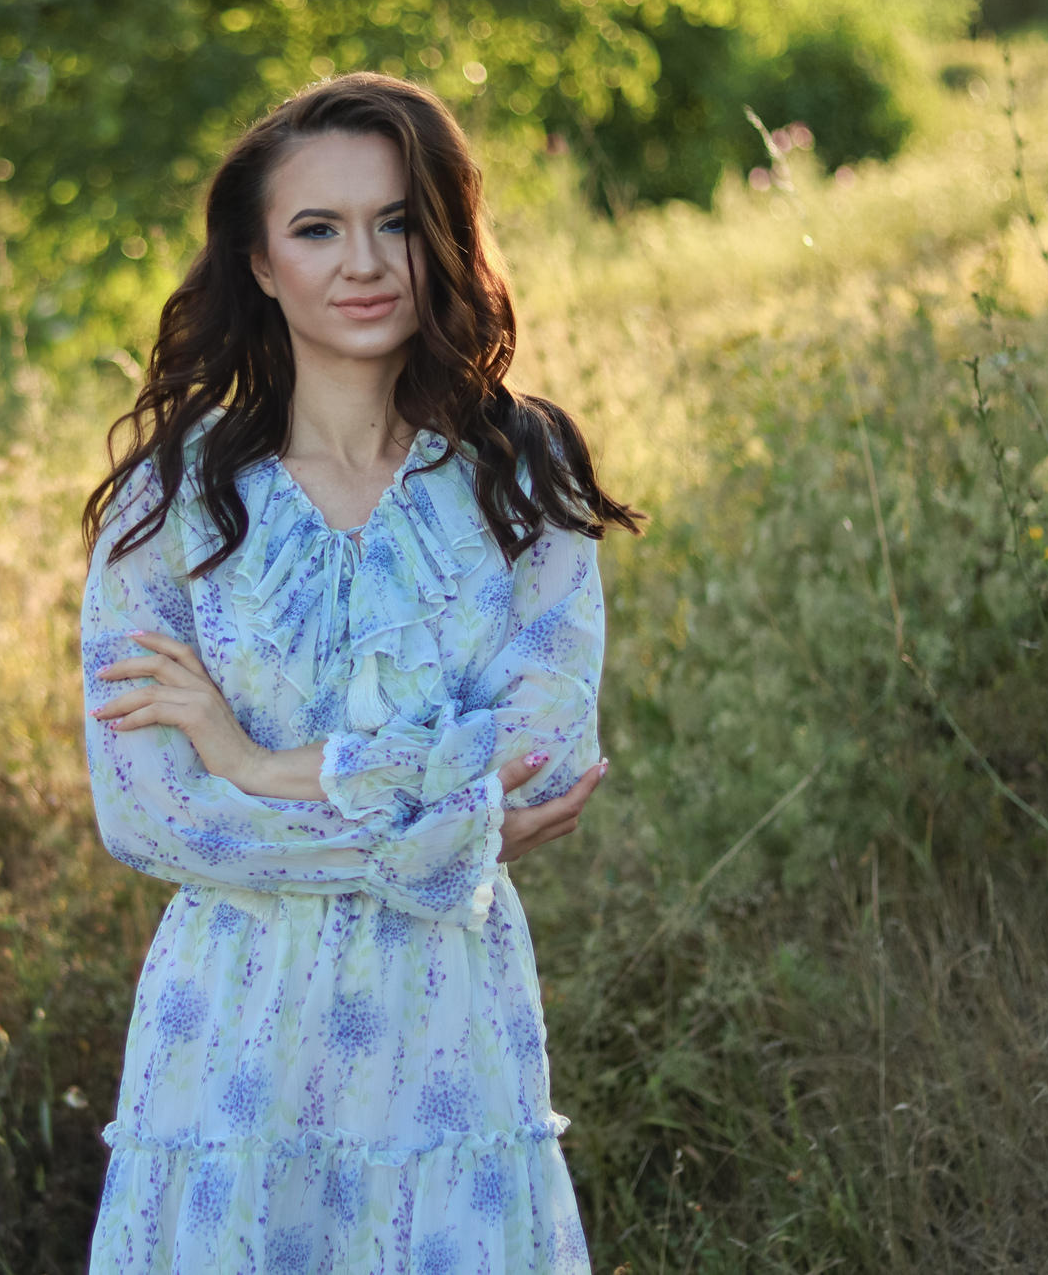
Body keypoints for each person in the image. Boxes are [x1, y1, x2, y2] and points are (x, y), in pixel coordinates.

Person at [77, 70, 645, 1274]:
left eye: (395, 221)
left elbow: (541, 759)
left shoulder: (520, 474)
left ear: (443, 239)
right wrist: (446, 832)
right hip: (226, 1044)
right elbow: (149, 813)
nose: (365, 262)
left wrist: (256, 763)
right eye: (317, 229)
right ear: (257, 261)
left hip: (446, 1037)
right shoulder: (167, 503)